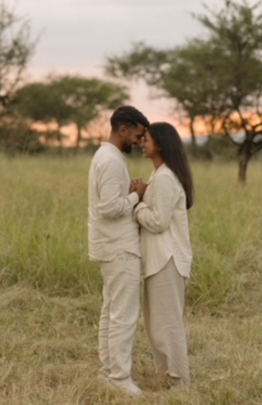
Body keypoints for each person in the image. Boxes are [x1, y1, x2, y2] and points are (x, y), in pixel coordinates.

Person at [87, 105, 150, 397]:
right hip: (118, 247)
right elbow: (109, 208)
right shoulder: (111, 161)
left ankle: (108, 374)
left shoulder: (106, 156)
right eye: (137, 136)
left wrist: (131, 194)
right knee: (123, 315)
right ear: (123, 130)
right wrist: (136, 196)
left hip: (109, 245)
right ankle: (120, 379)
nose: (138, 142)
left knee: (111, 311)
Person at [135, 122, 194, 388]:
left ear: (160, 143)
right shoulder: (160, 175)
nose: (141, 143)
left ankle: (180, 382)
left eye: (146, 139)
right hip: (160, 259)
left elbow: (158, 221)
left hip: (167, 260)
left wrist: (136, 203)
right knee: (156, 324)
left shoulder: (166, 177)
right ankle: (169, 376)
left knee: (167, 325)